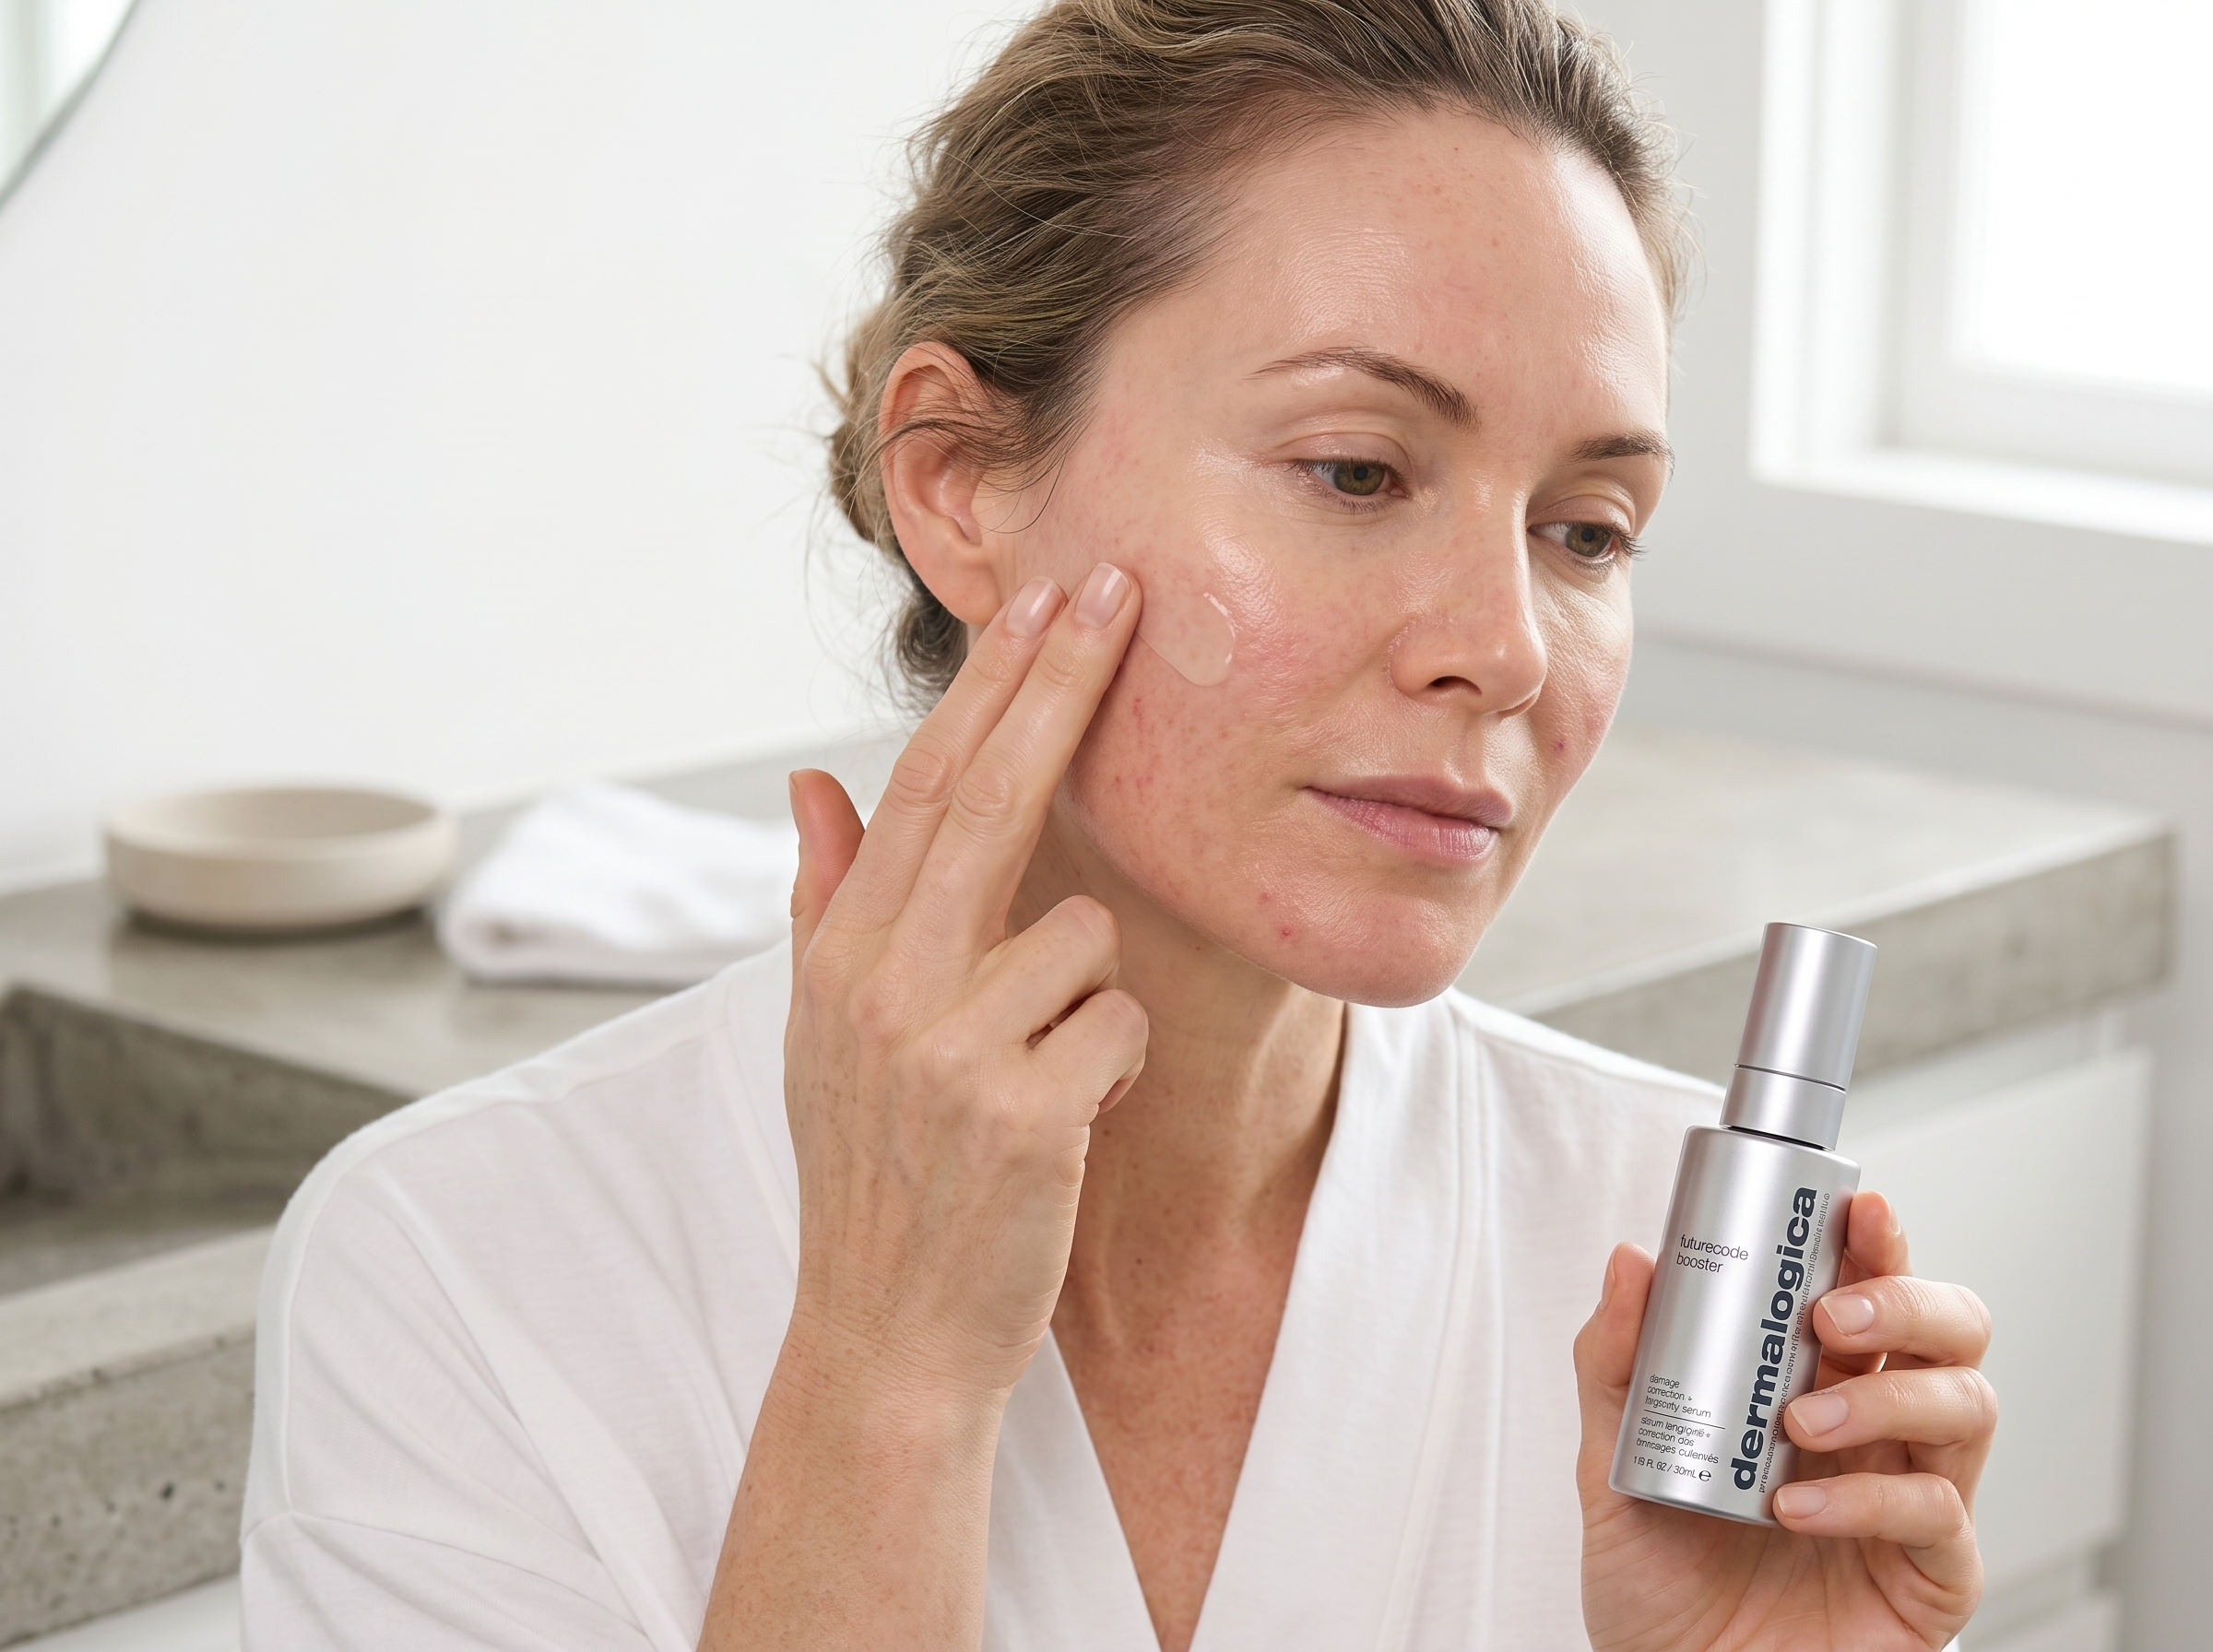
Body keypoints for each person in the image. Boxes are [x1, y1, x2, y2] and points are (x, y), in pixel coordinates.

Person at [239, 2, 1995, 1647]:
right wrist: (885, 1375)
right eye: (1357, 470)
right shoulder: (467, 1270)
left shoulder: (1688, 1285)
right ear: (963, 484)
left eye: (1590, 529)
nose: (1508, 649)